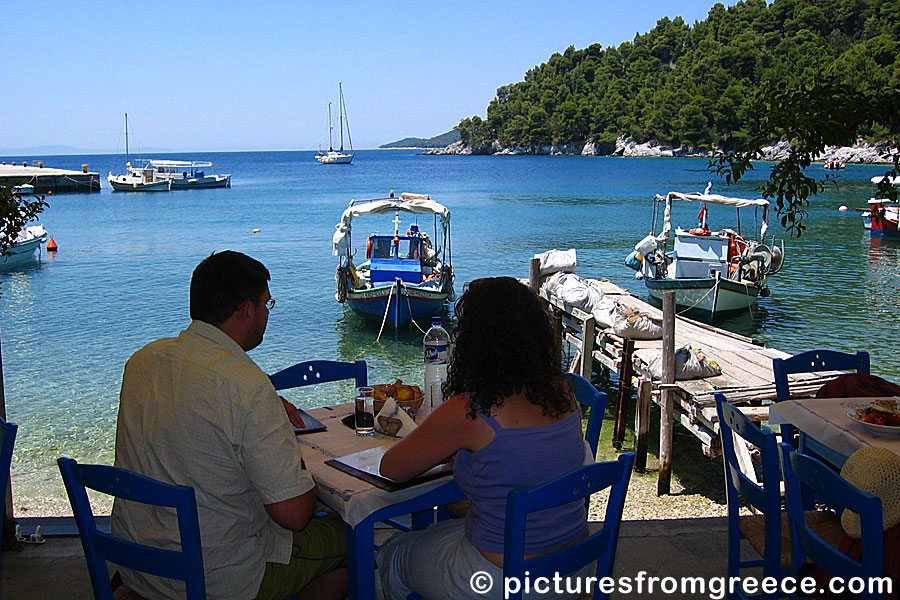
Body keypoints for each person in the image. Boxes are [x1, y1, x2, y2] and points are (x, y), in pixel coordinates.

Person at [110, 251, 346, 600]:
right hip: (219, 578)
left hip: (140, 563)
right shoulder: (246, 385)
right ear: (246, 310)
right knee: (350, 538)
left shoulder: (143, 361)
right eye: (267, 303)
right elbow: (294, 514)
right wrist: (289, 450)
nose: (268, 313)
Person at [377, 277, 592, 599]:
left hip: (498, 580)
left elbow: (391, 469)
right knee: (442, 530)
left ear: (473, 342)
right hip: (573, 568)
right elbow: (525, 458)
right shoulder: (564, 394)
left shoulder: (470, 411)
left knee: (393, 550)